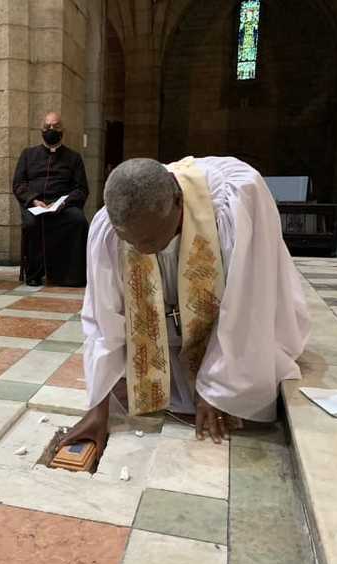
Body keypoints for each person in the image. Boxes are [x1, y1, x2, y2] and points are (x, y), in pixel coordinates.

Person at [61, 157, 310, 452]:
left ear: (179, 202)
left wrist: (217, 390)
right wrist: (97, 407)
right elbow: (102, 318)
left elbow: (247, 305)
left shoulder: (237, 197)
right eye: (131, 242)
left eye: (150, 240)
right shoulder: (110, 226)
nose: (140, 250)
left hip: (239, 322)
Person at [12, 112, 89, 287]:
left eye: (55, 126)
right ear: (41, 130)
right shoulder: (28, 154)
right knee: (32, 224)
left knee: (78, 221)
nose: (51, 130)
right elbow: (19, 184)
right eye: (47, 127)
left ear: (63, 130)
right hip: (35, 204)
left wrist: (63, 203)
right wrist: (33, 200)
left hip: (63, 205)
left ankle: (70, 275)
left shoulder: (74, 157)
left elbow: (81, 188)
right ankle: (34, 273)